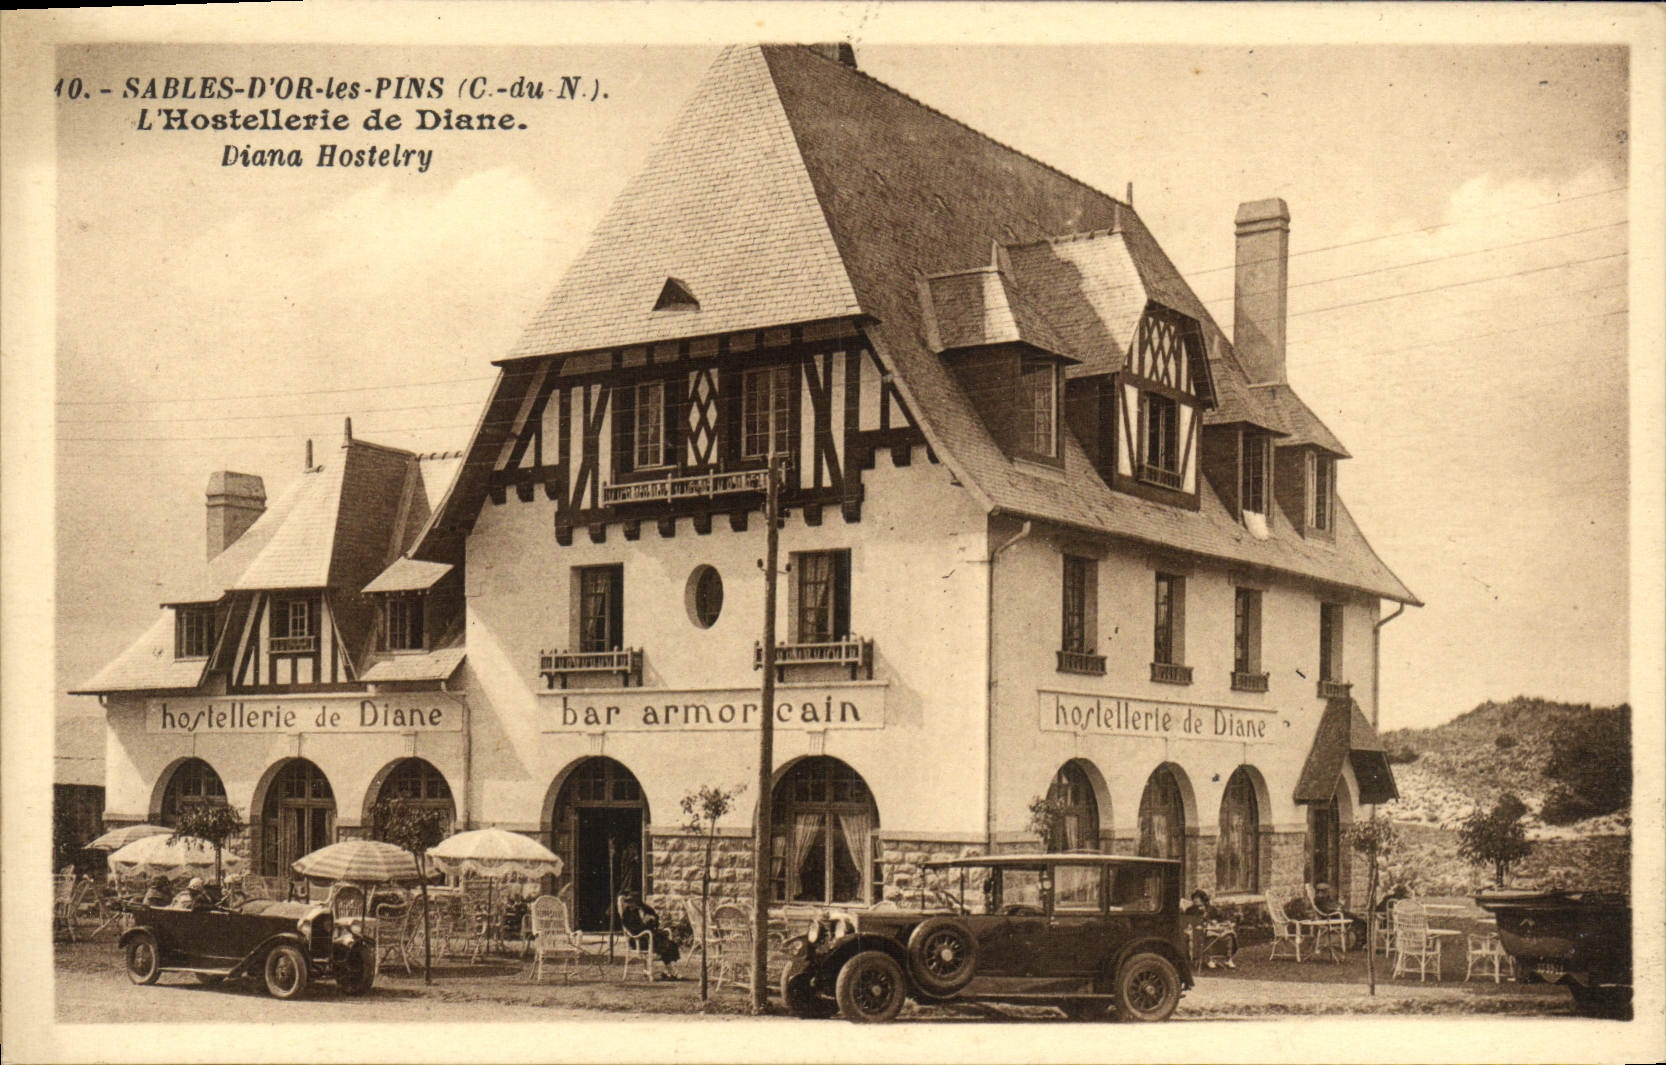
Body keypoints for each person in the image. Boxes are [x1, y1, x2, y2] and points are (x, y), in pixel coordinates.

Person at [617, 891, 681, 980]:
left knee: (669, 944)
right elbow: (633, 930)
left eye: (633, 902)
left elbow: (656, 920)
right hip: (638, 939)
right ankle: (671, 970)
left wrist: (653, 920)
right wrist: (644, 923)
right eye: (629, 902)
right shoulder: (627, 914)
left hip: (650, 936)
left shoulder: (646, 909)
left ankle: (669, 970)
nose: (631, 905)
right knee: (664, 944)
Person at [1183, 889, 1238, 970]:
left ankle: (1228, 959)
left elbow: (1220, 918)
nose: (1195, 900)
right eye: (1194, 898)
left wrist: (1216, 921)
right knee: (1209, 937)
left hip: (1213, 929)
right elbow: (1188, 921)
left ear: (1203, 899)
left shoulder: (1211, 909)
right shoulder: (1190, 910)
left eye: (1197, 898)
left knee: (1229, 936)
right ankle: (1209, 959)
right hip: (1199, 931)